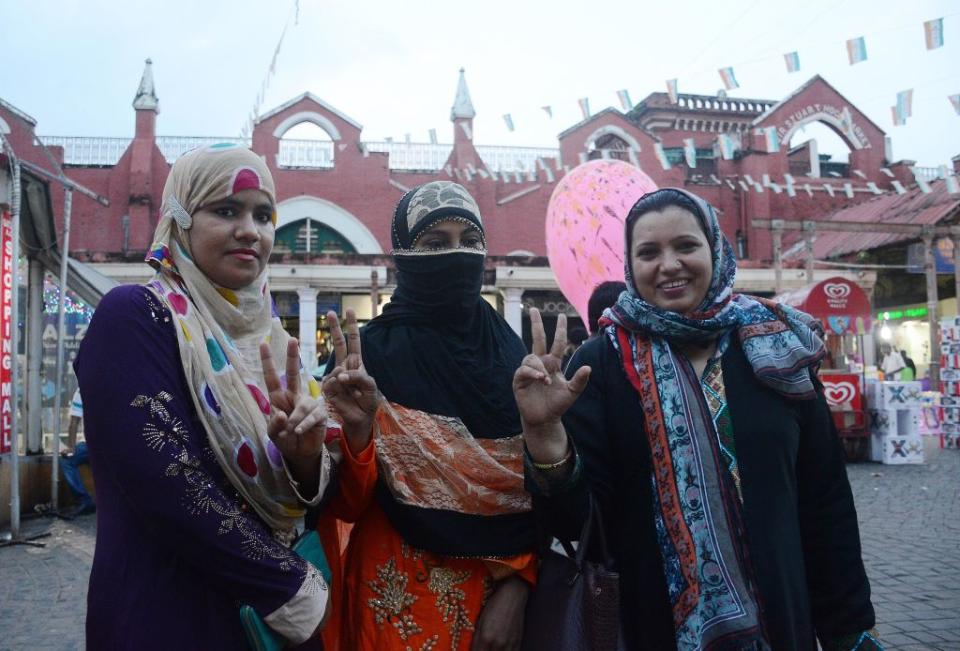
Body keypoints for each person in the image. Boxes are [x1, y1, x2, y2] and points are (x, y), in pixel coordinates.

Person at [514, 188, 878, 650]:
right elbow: (582, 525)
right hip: (651, 627)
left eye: (685, 246)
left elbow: (824, 500)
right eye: (648, 252)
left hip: (782, 619)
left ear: (714, 249)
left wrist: (847, 626)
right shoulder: (600, 365)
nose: (668, 265)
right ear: (630, 265)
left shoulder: (777, 349)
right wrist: (546, 437)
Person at [75, 144, 334, 649]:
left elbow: (302, 499)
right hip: (168, 615)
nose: (250, 231)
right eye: (225, 209)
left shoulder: (269, 343)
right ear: (180, 218)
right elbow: (167, 481)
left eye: (263, 215)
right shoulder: (135, 317)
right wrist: (293, 588)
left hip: (265, 626)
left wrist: (306, 460)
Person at [318, 181, 536, 651]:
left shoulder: (510, 355)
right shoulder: (366, 356)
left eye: (469, 241)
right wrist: (357, 435)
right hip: (394, 601)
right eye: (435, 244)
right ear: (403, 254)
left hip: (497, 601)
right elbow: (344, 507)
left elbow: (539, 497)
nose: (456, 256)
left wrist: (520, 584)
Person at [61, 387, 95, 516]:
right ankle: (85, 500)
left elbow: (74, 421)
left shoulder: (83, 388)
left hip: (105, 446)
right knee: (67, 459)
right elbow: (74, 421)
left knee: (68, 460)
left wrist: (71, 447)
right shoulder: (82, 389)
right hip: (93, 445)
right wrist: (71, 447)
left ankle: (85, 500)